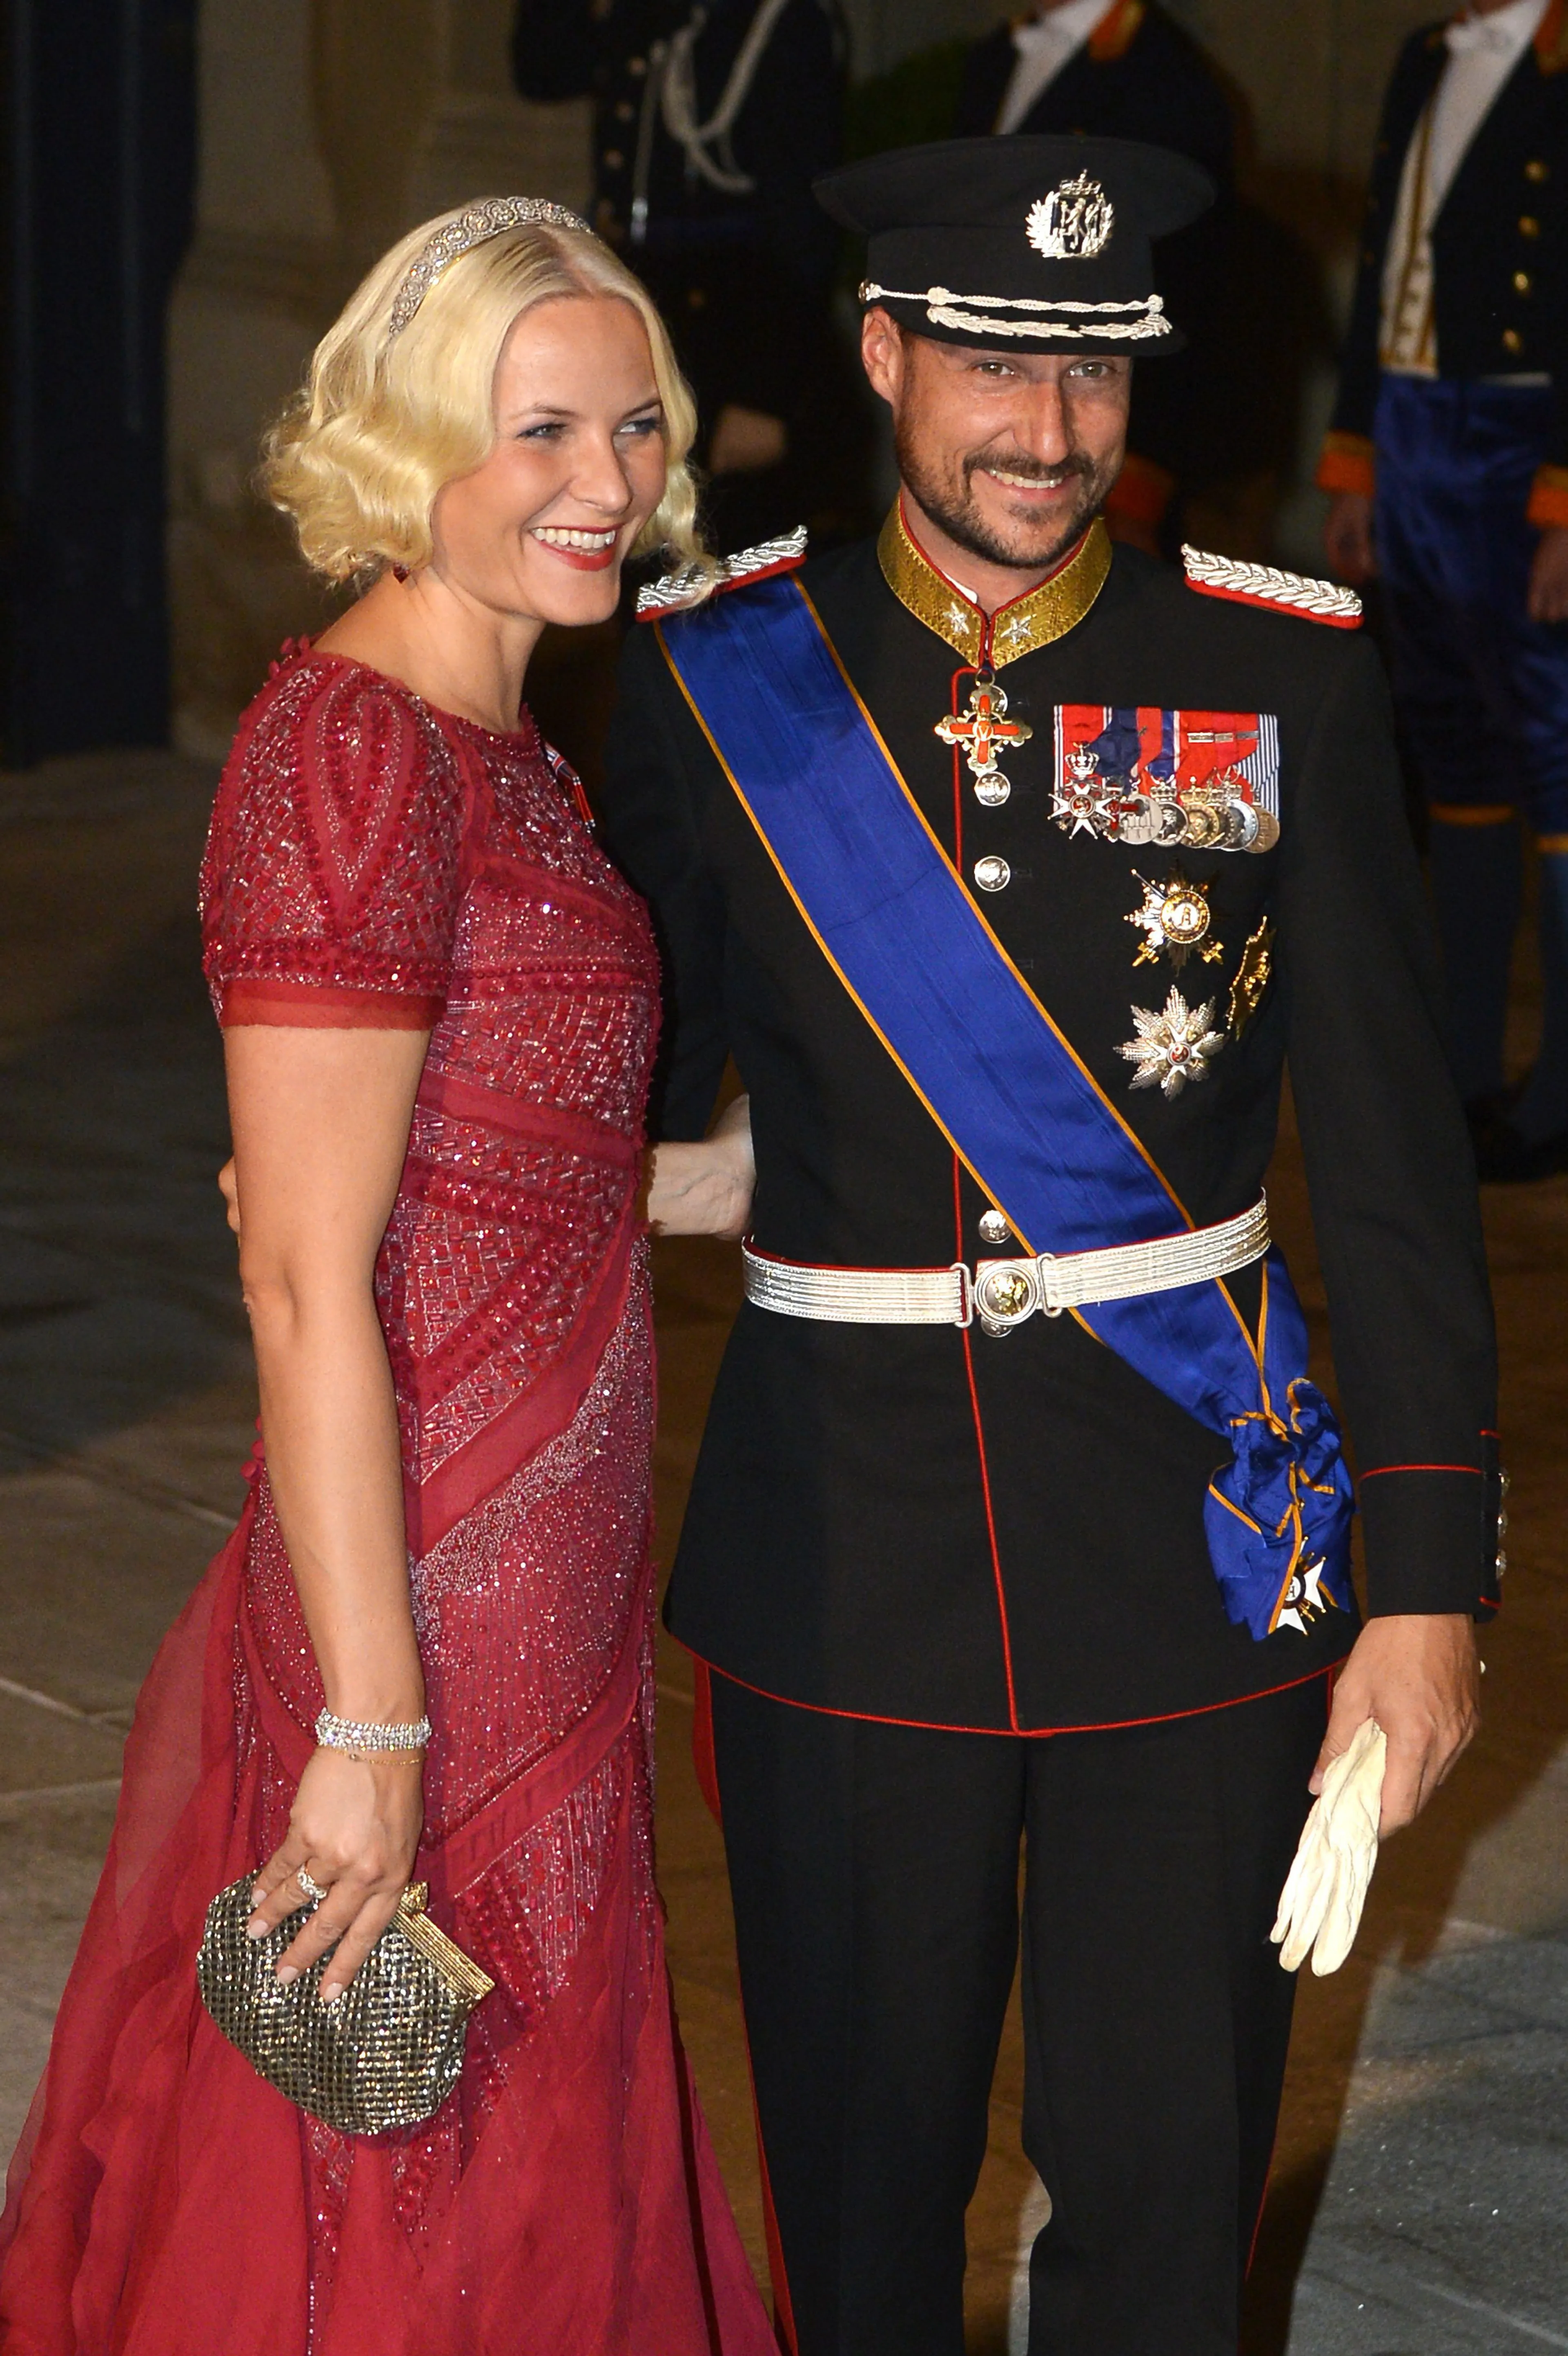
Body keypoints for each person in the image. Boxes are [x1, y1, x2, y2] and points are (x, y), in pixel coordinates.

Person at [599, 136, 1503, 2356]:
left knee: (1173, 2206)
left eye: (1094, 370)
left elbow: (1391, 1172)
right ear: (886, 352)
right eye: (996, 360)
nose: (1050, 428)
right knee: (858, 2207)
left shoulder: (1279, 675)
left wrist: (1425, 1584)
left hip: (1195, 1568)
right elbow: (608, 1068)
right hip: (839, 1570)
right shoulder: (726, 681)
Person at [0, 196, 771, 2356]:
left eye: (633, 425)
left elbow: (495, 1149)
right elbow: (301, 1282)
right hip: (429, 1565)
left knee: (505, 2079)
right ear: (410, 439)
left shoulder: (506, 734)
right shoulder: (358, 748)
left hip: (549, 1545)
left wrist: (738, 1183)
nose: (604, 481)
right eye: (536, 430)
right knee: (408, 2117)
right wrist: (372, 1714)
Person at [1320, 0, 1568, 1182]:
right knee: (1454, 753)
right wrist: (1357, 456)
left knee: (1560, 756)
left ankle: (1562, 1090)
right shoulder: (1427, 55)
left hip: (1529, 441)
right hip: (1416, 434)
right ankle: (1462, 1072)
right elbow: (1385, 270)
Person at [512, 0, 860, 549]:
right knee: (639, 552)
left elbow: (803, 224)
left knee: (721, 555)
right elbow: (543, 70)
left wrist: (765, 394)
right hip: (640, 309)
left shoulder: (780, 20)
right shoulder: (649, 14)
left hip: (732, 330)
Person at [954, 0, 1237, 551]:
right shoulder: (994, 57)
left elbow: (1183, 294)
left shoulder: (1167, 80)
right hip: (987, 423)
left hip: (1087, 448)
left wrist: (1141, 478)